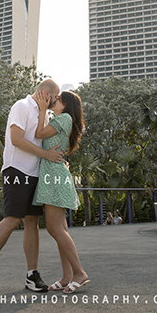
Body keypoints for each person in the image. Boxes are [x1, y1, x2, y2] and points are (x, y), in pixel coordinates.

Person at [0, 79, 64, 296]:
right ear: (45, 93)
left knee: (32, 222)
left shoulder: (43, 113)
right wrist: (46, 155)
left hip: (35, 173)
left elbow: (43, 137)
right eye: (54, 97)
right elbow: (16, 139)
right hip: (16, 171)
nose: (55, 102)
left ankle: (32, 275)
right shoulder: (21, 106)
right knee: (12, 219)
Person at [31, 90, 91, 295]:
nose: (52, 102)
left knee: (54, 228)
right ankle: (67, 277)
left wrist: (41, 110)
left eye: (56, 100)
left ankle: (79, 273)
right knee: (60, 230)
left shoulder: (64, 118)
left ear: (65, 105)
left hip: (55, 177)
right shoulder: (63, 119)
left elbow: (38, 134)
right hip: (53, 175)